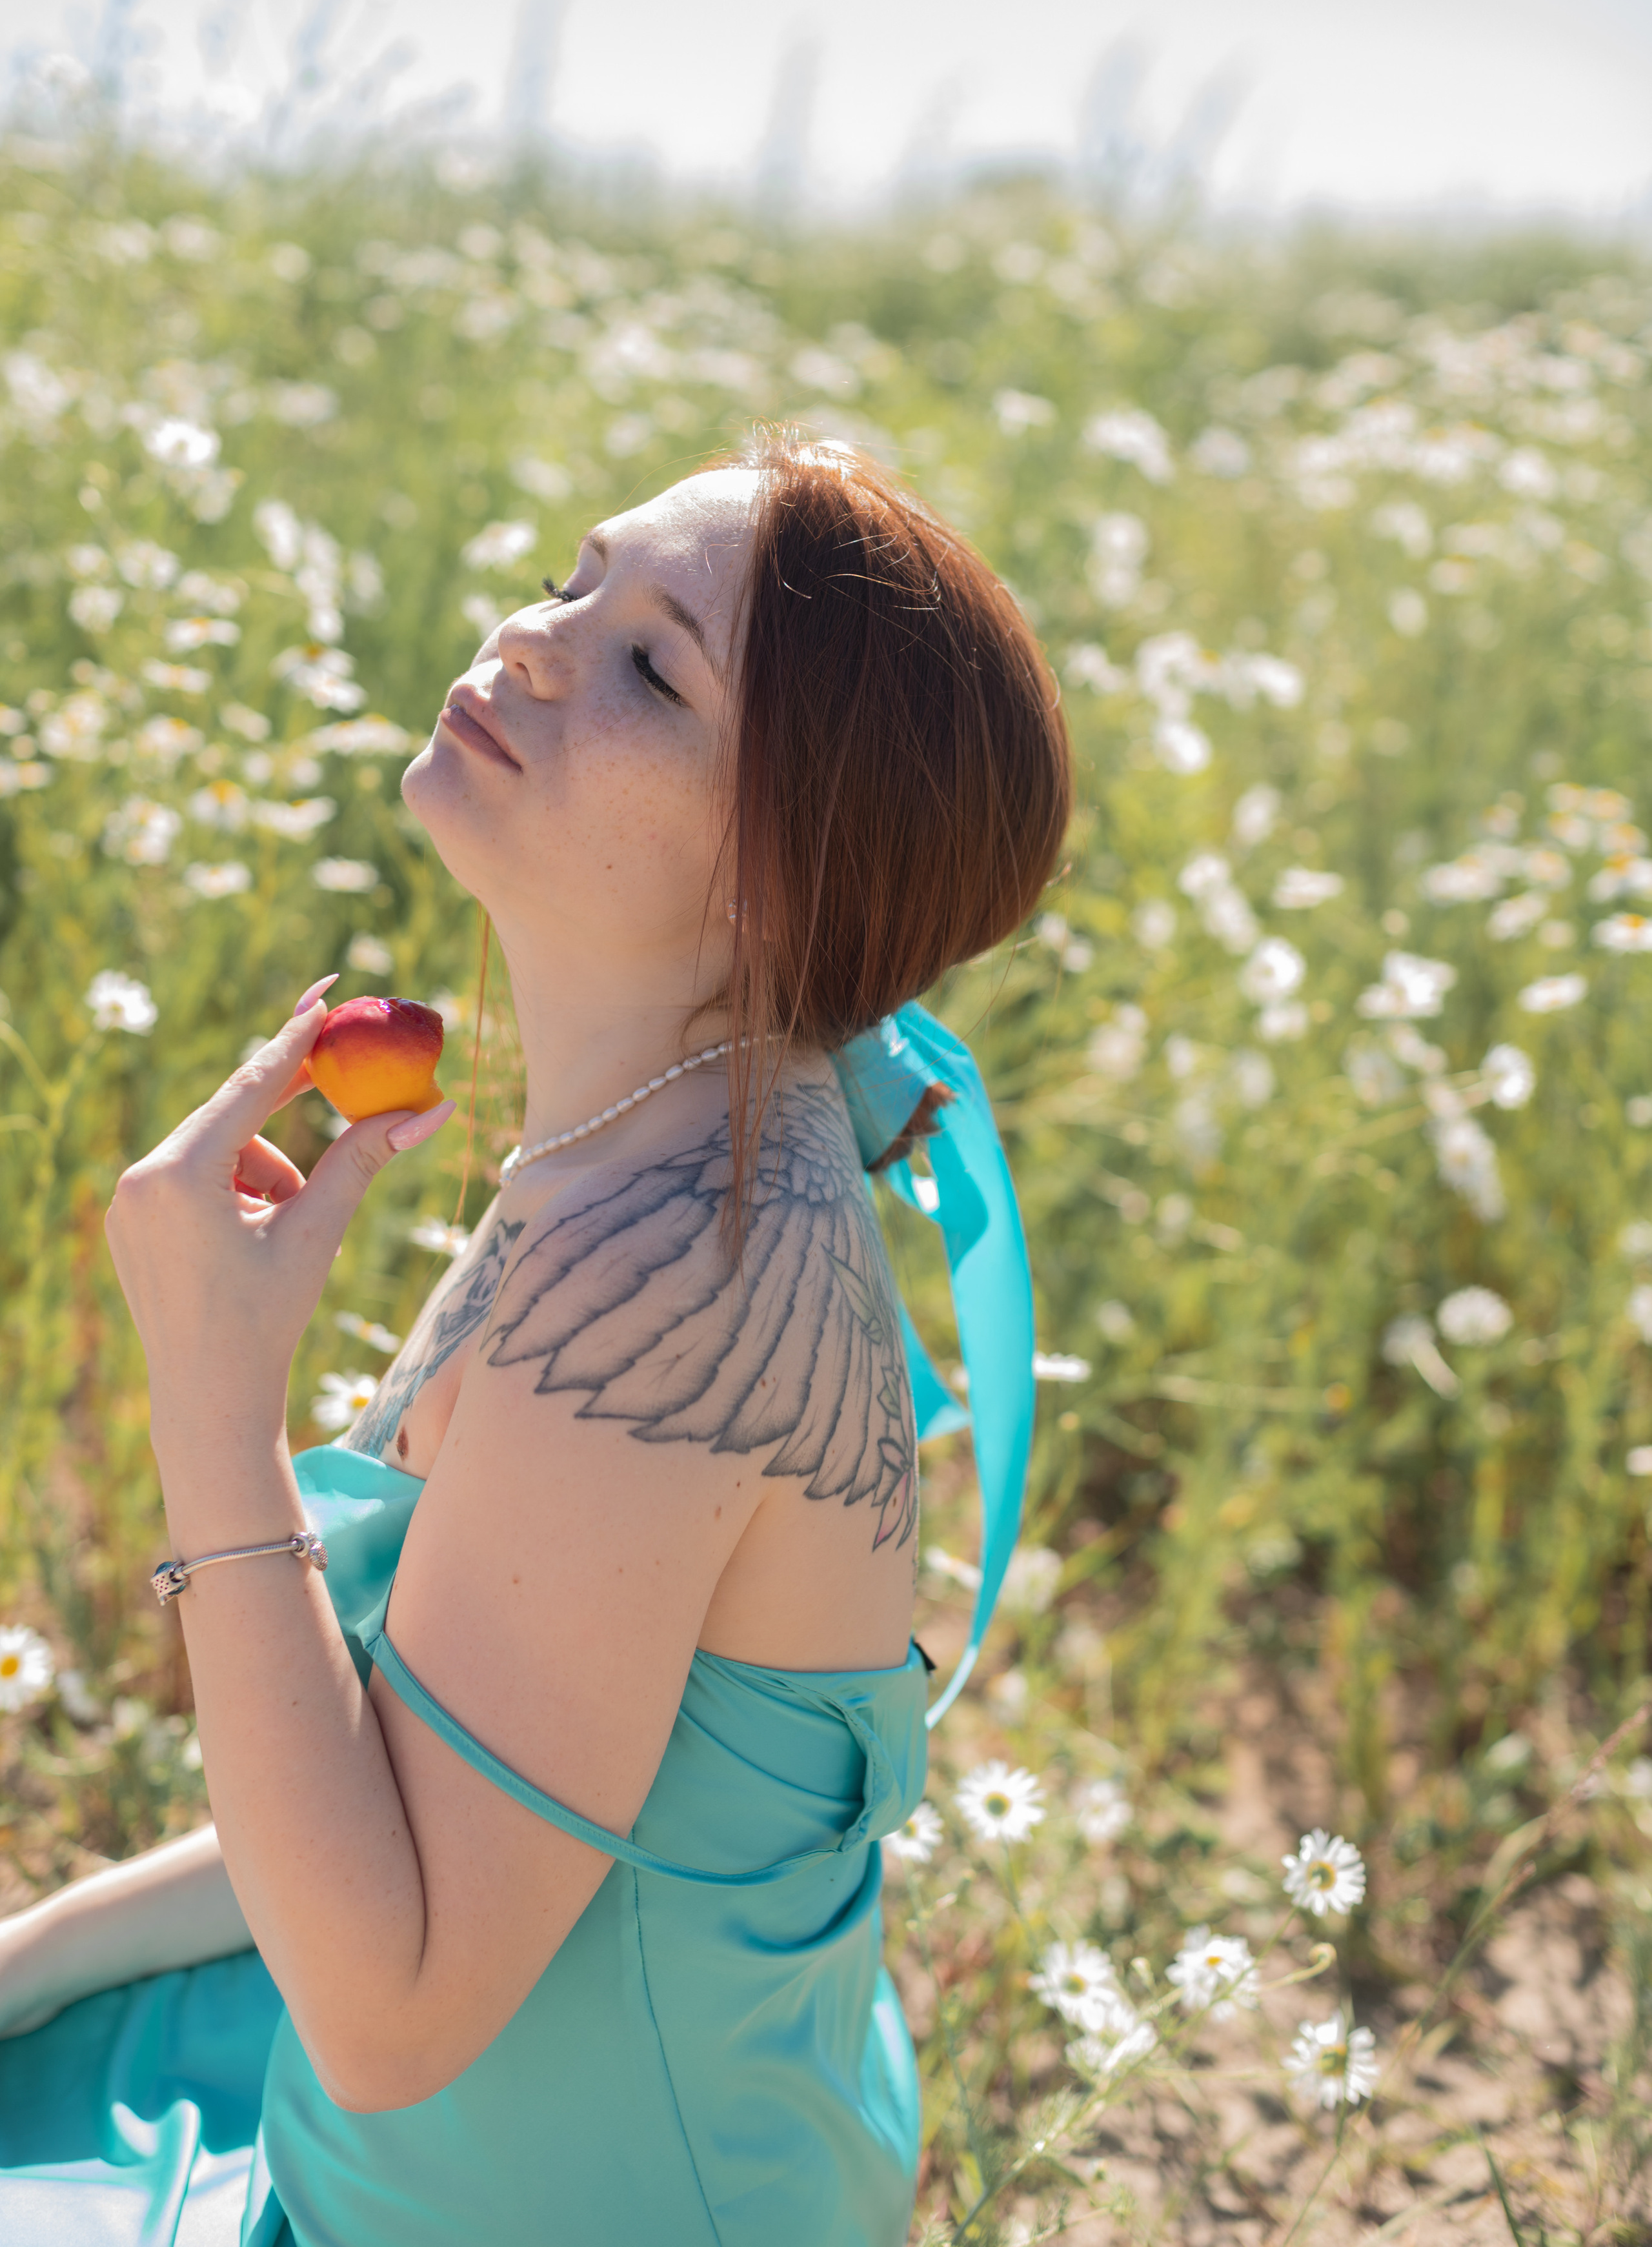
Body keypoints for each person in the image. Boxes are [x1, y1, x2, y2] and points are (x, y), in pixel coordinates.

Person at [0, 433, 1072, 2244]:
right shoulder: (657, 1143)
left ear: (790, 878)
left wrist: (214, 1411)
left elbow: (391, 2018)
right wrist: (23, 1961)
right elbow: (406, 1791)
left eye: (653, 665)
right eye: (575, 579)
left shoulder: (673, 1282)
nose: (531, 638)